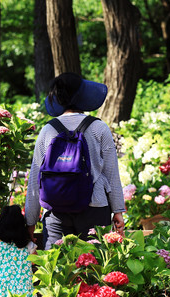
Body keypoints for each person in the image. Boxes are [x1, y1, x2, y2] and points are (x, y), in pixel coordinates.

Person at [25, 72, 126, 249]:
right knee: (93, 267)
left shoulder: (47, 130)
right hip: (95, 208)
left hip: (55, 211)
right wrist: (118, 210)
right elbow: (111, 173)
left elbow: (35, 179)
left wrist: (30, 221)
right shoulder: (99, 128)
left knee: (55, 268)